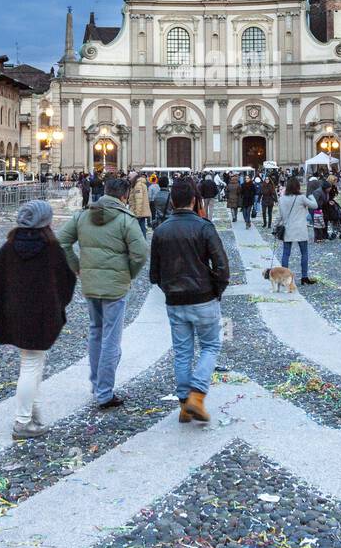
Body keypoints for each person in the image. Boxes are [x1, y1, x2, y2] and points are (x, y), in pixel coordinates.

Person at [0, 200, 77, 440]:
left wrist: (7, 299)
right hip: (41, 319)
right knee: (31, 367)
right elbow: (67, 283)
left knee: (33, 366)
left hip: (14, 316)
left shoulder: (8, 247)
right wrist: (55, 305)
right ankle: (22, 422)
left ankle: (35, 416)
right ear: (45, 222)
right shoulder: (52, 249)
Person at [57, 176, 147, 409]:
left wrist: (77, 267)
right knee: (110, 339)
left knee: (96, 332)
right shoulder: (126, 220)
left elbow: (61, 242)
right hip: (115, 287)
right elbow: (140, 253)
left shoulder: (82, 216)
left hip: (90, 284)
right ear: (124, 196)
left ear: (105, 191)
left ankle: (97, 384)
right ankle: (104, 393)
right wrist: (128, 273)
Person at [149, 178, 230, 423]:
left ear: (172, 200)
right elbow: (223, 265)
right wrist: (216, 289)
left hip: (175, 301)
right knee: (211, 346)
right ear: (194, 200)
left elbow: (154, 274)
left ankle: (184, 404)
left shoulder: (161, 230)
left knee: (182, 352)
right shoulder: (204, 227)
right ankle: (196, 395)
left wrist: (170, 290)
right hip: (204, 298)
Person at [277, 175, 317, 285]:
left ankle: (284, 277)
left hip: (288, 229)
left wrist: (276, 227)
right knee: (304, 253)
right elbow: (315, 205)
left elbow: (279, 216)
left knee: (286, 254)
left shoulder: (282, 199)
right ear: (298, 187)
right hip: (300, 230)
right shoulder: (301, 198)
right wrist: (311, 195)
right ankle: (304, 277)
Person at [127, 171, 151, 235]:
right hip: (140, 211)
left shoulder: (138, 185)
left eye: (129, 177)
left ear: (133, 177)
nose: (128, 179)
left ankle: (142, 242)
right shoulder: (138, 183)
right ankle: (143, 242)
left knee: (138, 230)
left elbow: (139, 200)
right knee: (142, 228)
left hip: (138, 212)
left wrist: (137, 214)